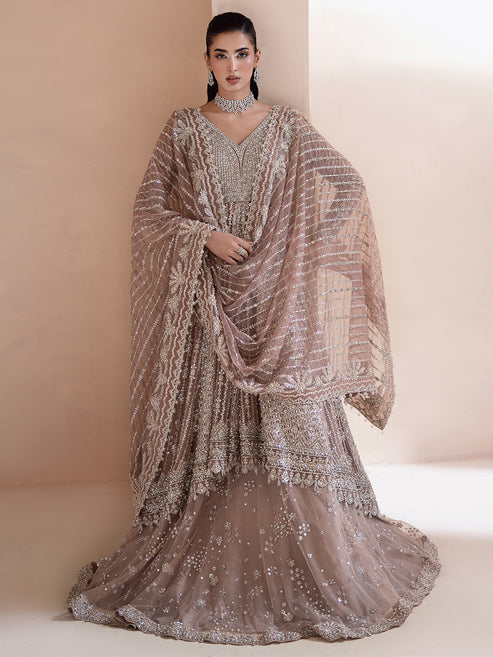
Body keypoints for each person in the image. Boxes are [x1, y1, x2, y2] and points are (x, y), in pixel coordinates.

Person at [67, 11, 441, 645]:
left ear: (257, 58)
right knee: (216, 426)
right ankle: (213, 537)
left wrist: (302, 248)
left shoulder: (288, 128)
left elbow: (347, 188)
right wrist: (203, 235)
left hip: (279, 302)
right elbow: (148, 211)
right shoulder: (183, 129)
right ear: (207, 61)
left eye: (242, 54)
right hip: (211, 302)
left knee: (294, 424)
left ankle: (316, 551)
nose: (232, 66)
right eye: (221, 55)